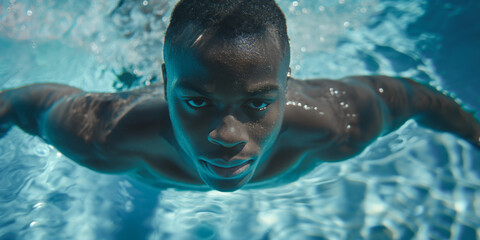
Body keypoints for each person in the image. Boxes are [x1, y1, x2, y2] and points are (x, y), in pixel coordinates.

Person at [0, 0, 479, 192]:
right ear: (164, 82)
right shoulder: (105, 133)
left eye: (257, 104)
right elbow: (20, 103)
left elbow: (417, 98)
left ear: (289, 83)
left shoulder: (337, 123)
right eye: (195, 102)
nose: (226, 136)